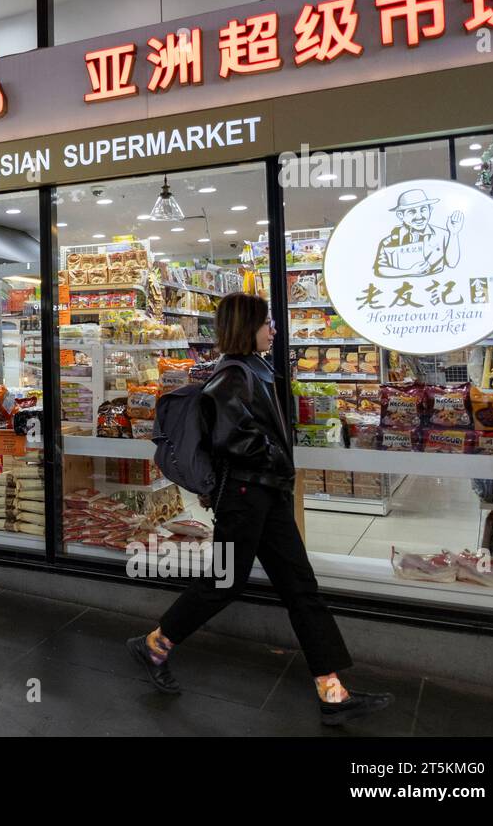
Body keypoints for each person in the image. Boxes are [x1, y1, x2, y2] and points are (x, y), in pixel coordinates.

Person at [127, 292, 394, 726]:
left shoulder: (255, 368)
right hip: (246, 498)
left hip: (264, 495)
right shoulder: (231, 375)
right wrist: (278, 457)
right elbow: (236, 439)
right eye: (266, 323)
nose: (273, 329)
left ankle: (332, 692)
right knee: (225, 582)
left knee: (300, 587)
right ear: (245, 328)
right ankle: (154, 644)